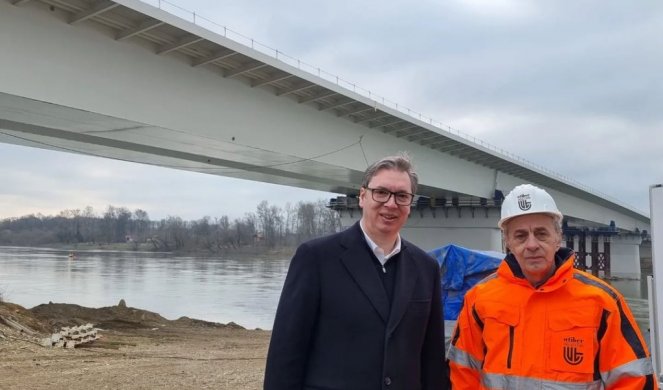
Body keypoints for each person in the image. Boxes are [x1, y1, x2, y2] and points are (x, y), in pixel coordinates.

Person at [263, 154, 449, 390]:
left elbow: (431, 358)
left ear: (410, 205)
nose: (391, 204)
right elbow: (286, 351)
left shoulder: (426, 268)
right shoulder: (316, 258)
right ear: (363, 196)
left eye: (402, 196)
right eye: (381, 192)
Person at [448, 184, 657, 389]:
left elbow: (633, 381)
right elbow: (462, 374)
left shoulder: (602, 302)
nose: (531, 245)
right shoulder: (479, 299)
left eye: (541, 233)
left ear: (558, 238)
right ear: (507, 243)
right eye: (520, 236)